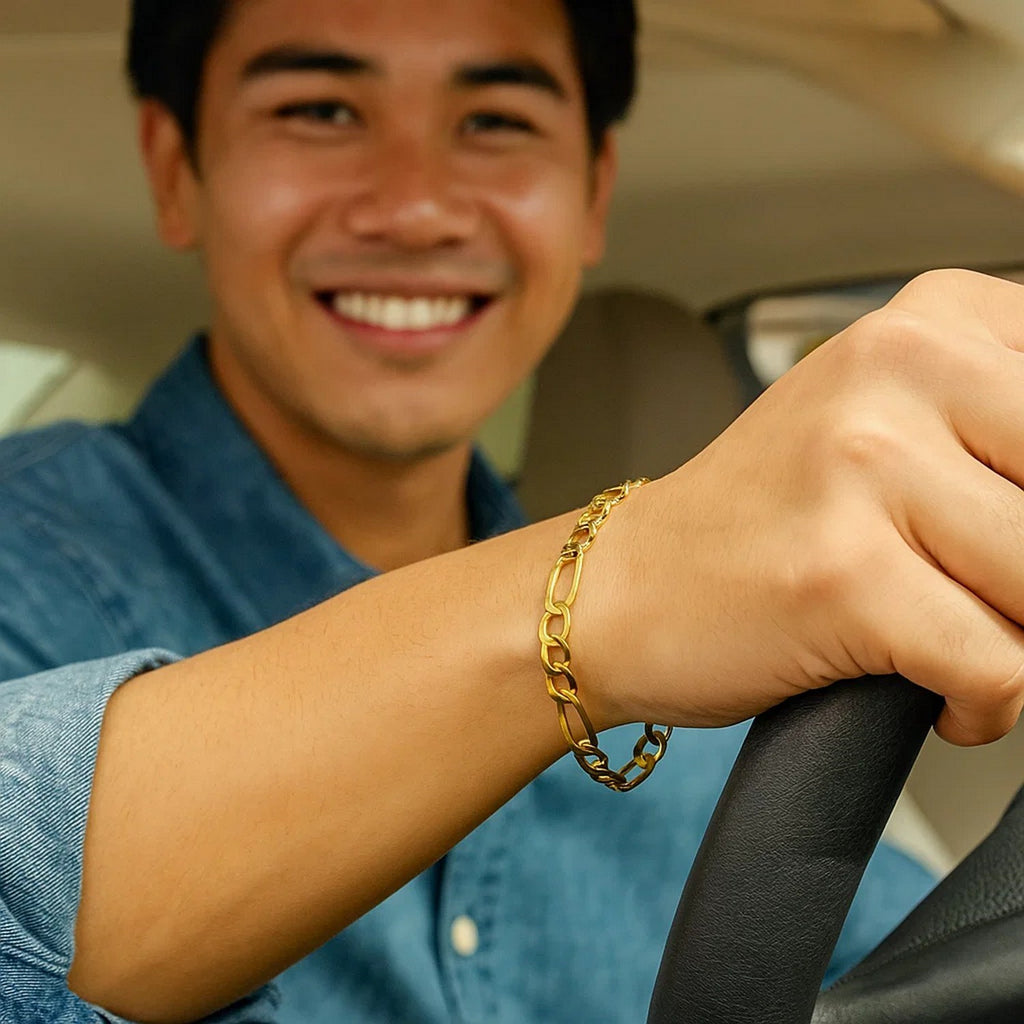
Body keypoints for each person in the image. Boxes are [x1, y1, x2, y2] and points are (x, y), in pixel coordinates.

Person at [2, 0, 1023, 1020]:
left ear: (592, 195)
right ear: (176, 170)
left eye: (496, 123)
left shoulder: (722, 708)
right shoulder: (24, 567)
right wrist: (618, 585)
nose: (415, 209)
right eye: (318, 110)